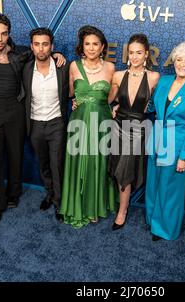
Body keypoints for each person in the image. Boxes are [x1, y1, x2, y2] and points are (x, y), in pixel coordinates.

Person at [0, 14, 65, 225]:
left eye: (4, 33)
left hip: (16, 114)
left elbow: (42, 54)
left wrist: (57, 54)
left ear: (9, 34)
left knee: (16, 156)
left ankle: (14, 193)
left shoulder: (20, 54)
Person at [145, 41, 185, 241]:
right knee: (154, 182)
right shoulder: (163, 81)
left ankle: (166, 228)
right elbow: (152, 107)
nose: (182, 64)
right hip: (156, 139)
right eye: (179, 59)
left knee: (170, 188)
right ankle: (153, 220)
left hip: (177, 144)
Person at [59, 25, 117, 228]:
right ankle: (78, 204)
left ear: (102, 47)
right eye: (87, 44)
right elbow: (67, 94)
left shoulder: (110, 68)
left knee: (97, 164)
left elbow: (111, 98)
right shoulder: (74, 66)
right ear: (82, 46)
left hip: (101, 123)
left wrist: (114, 107)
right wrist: (77, 100)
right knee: (78, 163)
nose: (91, 48)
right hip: (79, 121)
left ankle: (94, 207)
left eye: (95, 44)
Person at [108, 33, 160, 231]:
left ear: (146, 54)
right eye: (131, 52)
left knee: (125, 171)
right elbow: (110, 100)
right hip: (118, 127)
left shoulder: (154, 77)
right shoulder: (118, 75)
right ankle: (119, 205)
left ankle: (122, 211)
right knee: (115, 169)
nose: (135, 57)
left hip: (137, 130)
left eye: (139, 53)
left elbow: (158, 103)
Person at [23, 27, 69, 222]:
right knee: (43, 164)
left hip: (56, 123)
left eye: (45, 44)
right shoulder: (24, 68)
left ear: (52, 46)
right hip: (34, 125)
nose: (41, 49)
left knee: (57, 165)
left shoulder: (63, 67)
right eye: (37, 44)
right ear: (31, 47)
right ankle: (49, 194)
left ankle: (59, 203)